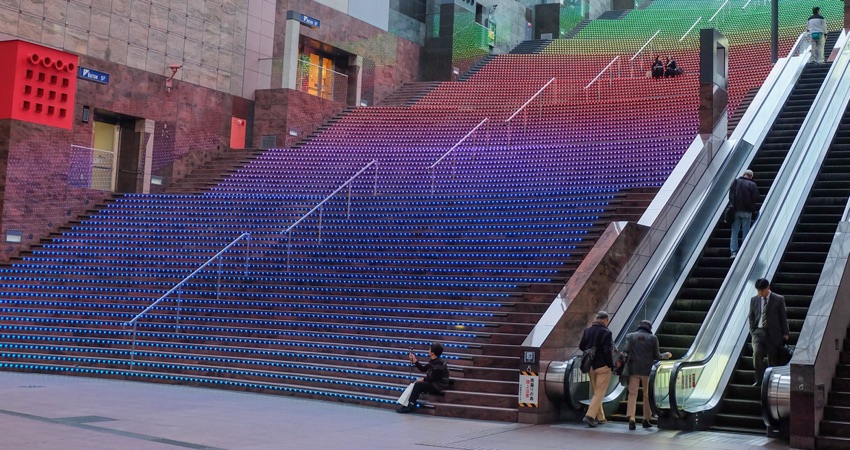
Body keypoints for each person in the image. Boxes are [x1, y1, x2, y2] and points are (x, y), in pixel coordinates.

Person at [622, 320, 672, 430]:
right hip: (647, 370)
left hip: (633, 369)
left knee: (632, 394)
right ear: (649, 327)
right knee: (646, 395)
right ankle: (646, 419)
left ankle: (632, 418)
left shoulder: (631, 336)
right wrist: (666, 355)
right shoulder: (653, 338)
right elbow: (657, 356)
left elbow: (625, 351)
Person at [748, 278, 789, 386]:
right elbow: (751, 316)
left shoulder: (778, 299)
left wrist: (785, 333)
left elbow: (783, 317)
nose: (760, 293)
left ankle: (771, 382)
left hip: (773, 334)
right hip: (758, 332)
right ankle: (759, 379)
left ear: (768, 288)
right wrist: (753, 331)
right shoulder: (754, 300)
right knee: (757, 354)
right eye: (758, 290)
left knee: (773, 359)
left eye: (762, 290)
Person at [578, 311, 614, 427]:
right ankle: (589, 416)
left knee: (596, 392)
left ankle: (600, 417)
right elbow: (607, 351)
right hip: (602, 366)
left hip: (590, 366)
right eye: (607, 321)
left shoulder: (587, 330)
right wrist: (610, 365)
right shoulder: (606, 332)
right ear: (605, 320)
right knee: (599, 393)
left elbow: (581, 346)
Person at [397, 342, 451, 413]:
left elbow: (435, 377)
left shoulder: (439, 363)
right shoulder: (433, 361)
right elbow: (423, 369)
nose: (428, 351)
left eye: (430, 349)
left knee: (418, 385)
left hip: (438, 385)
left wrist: (423, 379)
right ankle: (407, 404)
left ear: (433, 352)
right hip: (433, 383)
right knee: (417, 384)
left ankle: (410, 405)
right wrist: (415, 360)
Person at [729, 169, 759, 258]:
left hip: (736, 211)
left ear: (744, 174)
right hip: (747, 211)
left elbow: (730, 196)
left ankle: (734, 252)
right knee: (746, 230)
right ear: (751, 176)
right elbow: (756, 197)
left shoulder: (735, 182)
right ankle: (744, 251)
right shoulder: (752, 184)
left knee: (734, 232)